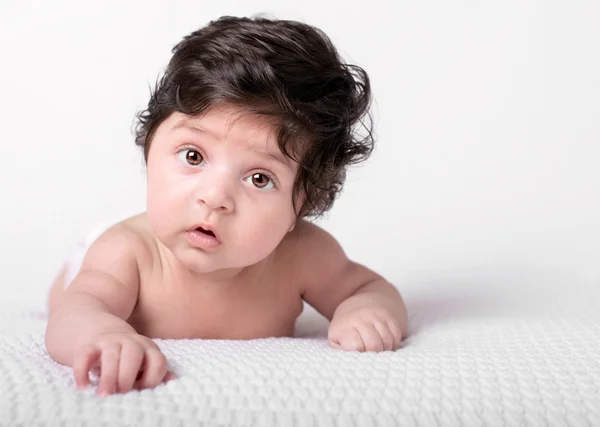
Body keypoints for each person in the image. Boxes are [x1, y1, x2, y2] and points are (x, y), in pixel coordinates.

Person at [45, 15, 408, 397]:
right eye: (193, 156)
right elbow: (74, 314)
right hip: (99, 254)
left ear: (300, 207)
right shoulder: (128, 253)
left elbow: (368, 287)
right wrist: (103, 333)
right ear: (149, 150)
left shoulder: (302, 254)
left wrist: (367, 310)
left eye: (259, 179)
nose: (215, 197)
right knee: (68, 289)